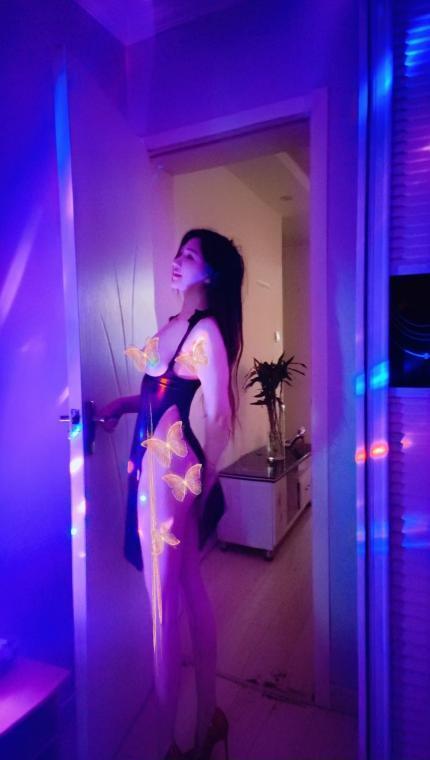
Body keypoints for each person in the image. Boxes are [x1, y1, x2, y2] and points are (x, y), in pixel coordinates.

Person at [100, 229, 244, 760]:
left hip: (170, 471)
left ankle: (174, 744)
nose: (177, 260)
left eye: (190, 255)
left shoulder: (206, 332)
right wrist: (119, 407)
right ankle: (205, 722)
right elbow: (157, 395)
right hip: (154, 464)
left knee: (162, 605)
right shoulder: (173, 326)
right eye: (178, 251)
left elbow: (220, 417)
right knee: (184, 586)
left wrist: (206, 479)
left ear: (212, 272)